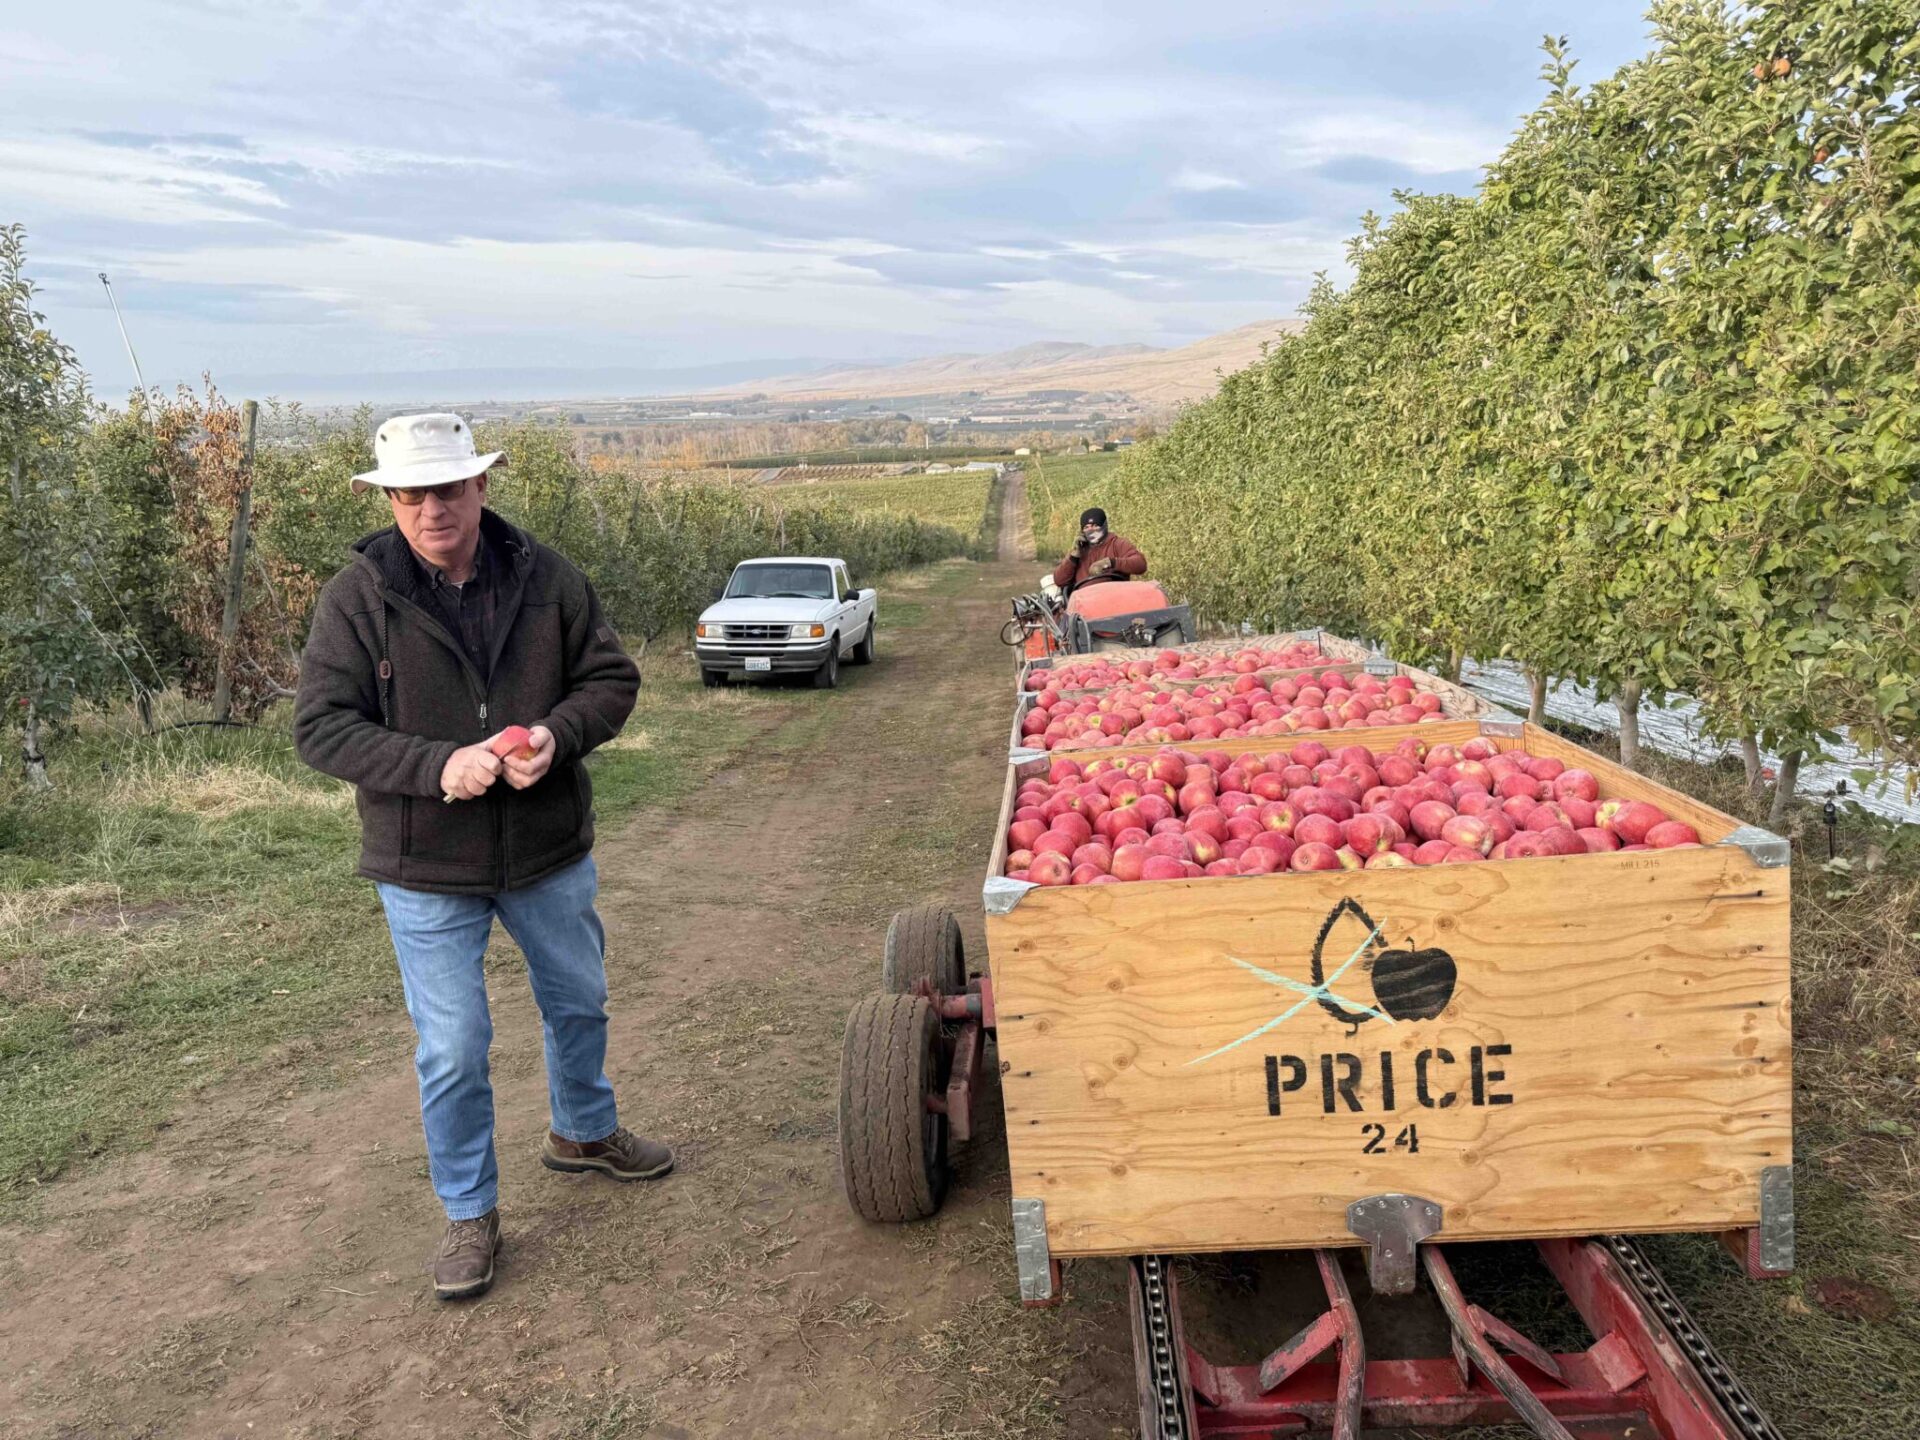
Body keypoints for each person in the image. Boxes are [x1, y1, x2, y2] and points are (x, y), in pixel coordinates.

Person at [294, 412, 672, 1302]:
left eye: (449, 489)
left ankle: (583, 1131)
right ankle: (470, 1211)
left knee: (579, 1001)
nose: (434, 509)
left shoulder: (548, 579)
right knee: (455, 1047)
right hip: (424, 867)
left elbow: (610, 680)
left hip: (546, 851)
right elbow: (321, 727)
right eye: (413, 493)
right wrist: (435, 766)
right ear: (388, 500)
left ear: (482, 489)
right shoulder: (355, 600)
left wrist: (556, 734)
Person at [1052, 507, 1147, 592]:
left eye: (1095, 525)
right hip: (1084, 601)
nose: (1091, 530)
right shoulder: (1080, 550)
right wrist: (1073, 558)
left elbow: (1140, 564)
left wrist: (1110, 563)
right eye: (1086, 527)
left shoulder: (1118, 544)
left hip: (1115, 596)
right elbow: (1059, 581)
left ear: (1104, 525)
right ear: (1082, 531)